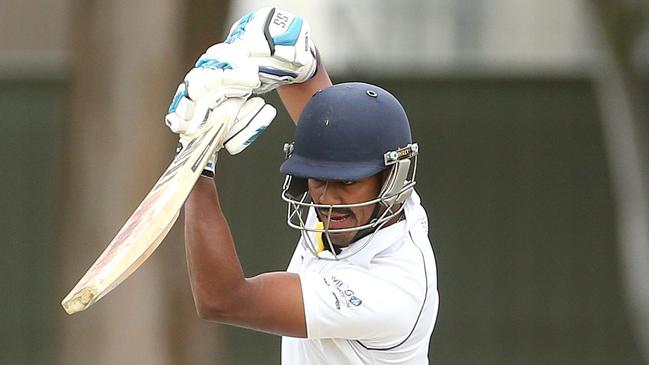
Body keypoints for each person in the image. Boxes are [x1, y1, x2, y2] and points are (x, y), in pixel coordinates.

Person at [165, 7, 439, 364]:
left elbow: (224, 300)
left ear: (393, 180)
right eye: (316, 178)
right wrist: (287, 49)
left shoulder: (394, 290)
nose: (327, 200)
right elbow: (324, 110)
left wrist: (198, 164)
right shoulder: (368, 191)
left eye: (346, 182)